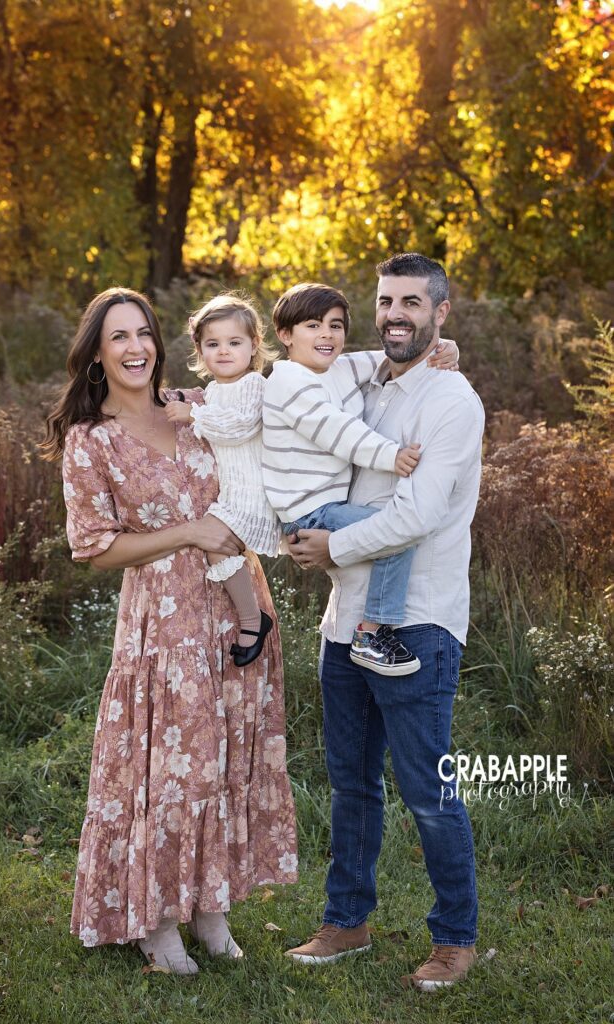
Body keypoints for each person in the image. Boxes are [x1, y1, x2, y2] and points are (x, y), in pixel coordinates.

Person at [40, 287, 297, 976]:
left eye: (143, 333)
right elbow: (93, 546)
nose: (135, 348)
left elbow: (301, 393)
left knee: (224, 759)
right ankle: (155, 922)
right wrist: (186, 532)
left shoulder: (198, 405)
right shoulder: (91, 439)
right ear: (97, 354)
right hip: (164, 622)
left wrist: (419, 362)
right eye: (118, 337)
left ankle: (210, 908)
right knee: (167, 769)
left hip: (236, 606)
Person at [286, 254, 485, 991]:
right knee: (351, 785)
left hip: (417, 624)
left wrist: (331, 546)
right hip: (345, 621)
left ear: (441, 312)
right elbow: (298, 372)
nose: (394, 313)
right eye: (385, 300)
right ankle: (347, 922)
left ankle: (455, 939)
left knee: (427, 790)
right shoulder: (362, 379)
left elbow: (417, 514)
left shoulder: (451, 400)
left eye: (411, 302)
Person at [263, 282, 459, 676]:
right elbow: (337, 430)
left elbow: (388, 358)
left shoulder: (338, 368)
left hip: (327, 505)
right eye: (313, 326)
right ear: (285, 335)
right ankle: (372, 633)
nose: (326, 335)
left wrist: (443, 346)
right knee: (393, 535)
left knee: (393, 531)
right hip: (308, 512)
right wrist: (391, 455)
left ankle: (370, 631)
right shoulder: (289, 382)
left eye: (335, 326)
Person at [162, 294, 281, 668]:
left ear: (253, 345)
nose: (224, 351)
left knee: (216, 545)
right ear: (200, 350)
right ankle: (250, 617)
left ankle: (253, 620)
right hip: (231, 492)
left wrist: (193, 415)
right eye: (213, 344)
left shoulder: (254, 384)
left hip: (253, 493)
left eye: (234, 342)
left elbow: (240, 427)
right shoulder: (212, 391)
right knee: (216, 547)